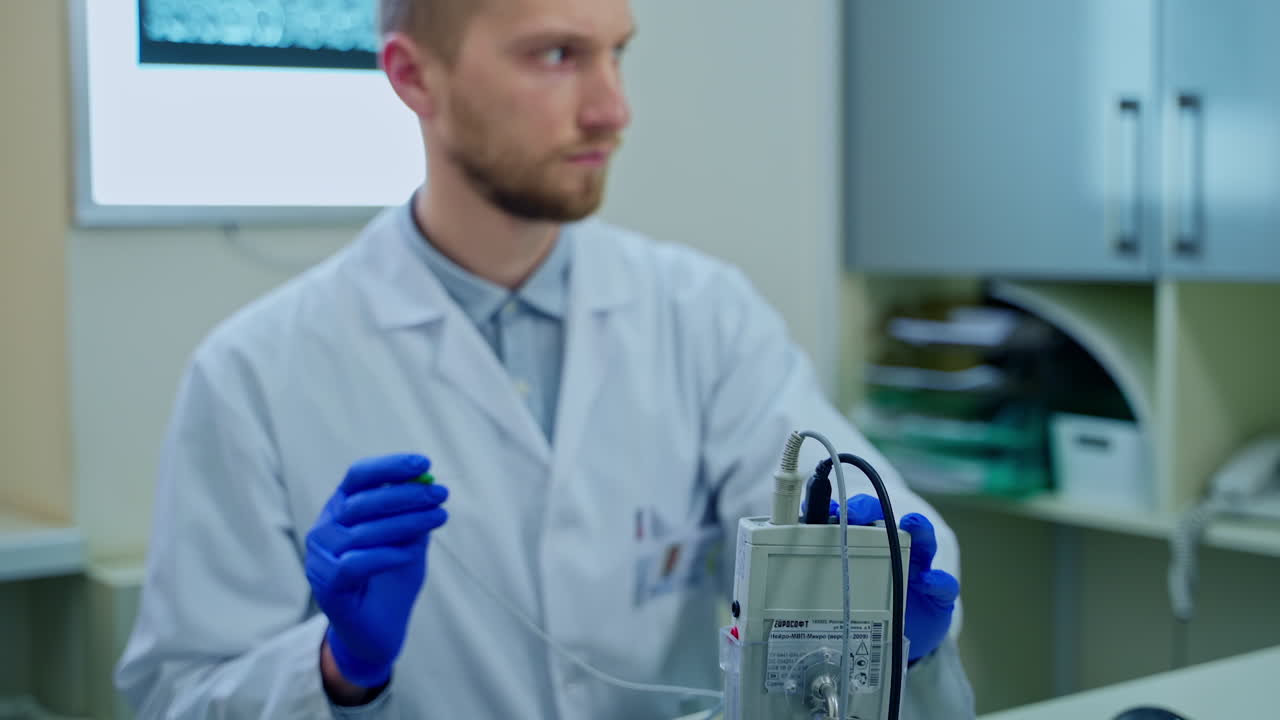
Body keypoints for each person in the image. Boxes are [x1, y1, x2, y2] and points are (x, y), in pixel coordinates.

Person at [116, 0, 975, 717]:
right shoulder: (253, 373)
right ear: (414, 76)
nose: (613, 108)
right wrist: (338, 670)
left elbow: (872, 545)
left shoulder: (704, 318)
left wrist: (885, 613)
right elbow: (173, 697)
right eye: (558, 55)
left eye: (617, 54)